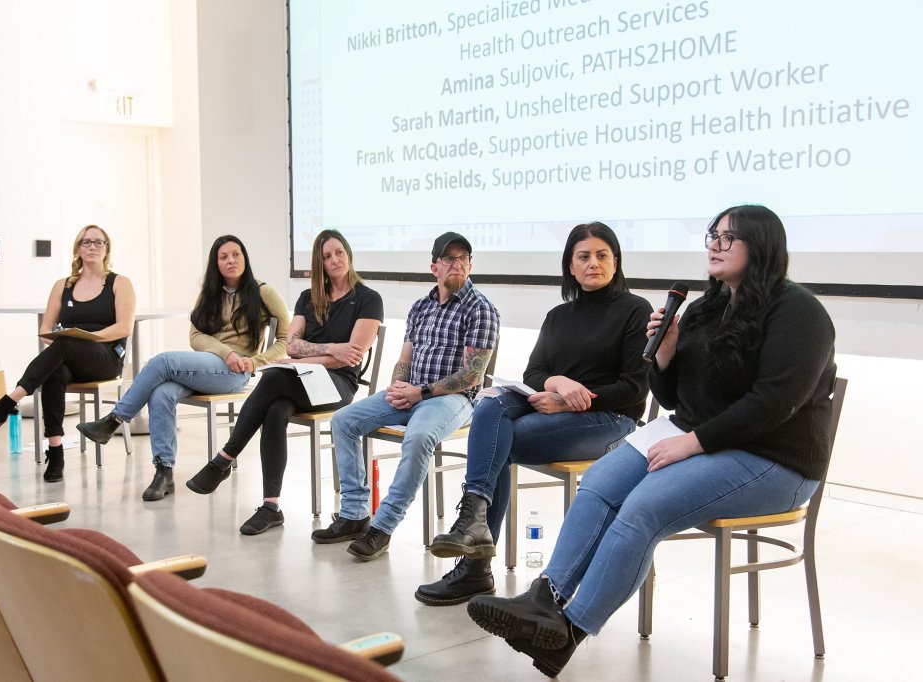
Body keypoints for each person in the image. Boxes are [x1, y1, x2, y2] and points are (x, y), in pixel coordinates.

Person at [465, 205, 837, 678]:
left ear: (761, 245)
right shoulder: (706, 307)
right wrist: (664, 355)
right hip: (700, 437)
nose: (715, 246)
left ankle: (568, 633)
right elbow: (673, 396)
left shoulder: (799, 312)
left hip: (773, 458)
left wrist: (695, 441)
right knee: (600, 480)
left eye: (729, 238)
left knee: (644, 506)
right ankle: (545, 599)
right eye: (712, 236)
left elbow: (773, 403)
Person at [418, 223, 653, 606]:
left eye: (602, 255)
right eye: (583, 256)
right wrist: (558, 383)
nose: (593, 263)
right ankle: (474, 522)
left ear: (615, 262)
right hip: (556, 410)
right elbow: (534, 375)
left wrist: (575, 399)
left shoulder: (635, 310)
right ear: (571, 267)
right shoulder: (559, 315)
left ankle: (474, 562)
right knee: (492, 403)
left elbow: (634, 389)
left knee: (498, 442)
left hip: (612, 421)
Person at [313, 232, 500, 561]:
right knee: (343, 420)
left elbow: (472, 375)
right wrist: (399, 388)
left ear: (470, 265)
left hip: (453, 399)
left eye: (463, 259)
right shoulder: (420, 307)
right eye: (448, 259)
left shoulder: (481, 309)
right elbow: (404, 360)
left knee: (419, 436)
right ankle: (355, 514)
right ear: (434, 267)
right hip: (413, 392)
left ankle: (382, 527)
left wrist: (420, 392)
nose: (456, 264)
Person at [185, 229, 383, 536]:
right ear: (319, 263)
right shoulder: (307, 298)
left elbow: (350, 358)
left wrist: (306, 359)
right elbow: (291, 345)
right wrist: (329, 348)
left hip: (338, 385)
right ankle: (271, 507)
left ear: (348, 254)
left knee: (275, 375)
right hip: (303, 379)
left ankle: (224, 459)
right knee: (276, 409)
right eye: (326, 256)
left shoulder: (369, 299)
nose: (334, 260)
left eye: (339, 252)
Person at [76, 235, 289, 501]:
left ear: (245, 258)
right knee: (161, 393)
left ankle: (115, 420)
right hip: (213, 363)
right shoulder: (209, 294)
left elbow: (285, 338)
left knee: (162, 362)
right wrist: (225, 351)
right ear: (216, 263)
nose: (231, 261)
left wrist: (255, 361)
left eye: (236, 254)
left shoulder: (263, 291)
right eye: (223, 257)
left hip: (235, 372)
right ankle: (164, 472)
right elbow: (195, 337)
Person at [0, 225, 136, 483]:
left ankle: (8, 402)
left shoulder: (119, 283)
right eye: (86, 242)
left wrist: (87, 339)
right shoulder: (63, 285)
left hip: (106, 358)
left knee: (66, 344)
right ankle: (56, 449)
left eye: (98, 242)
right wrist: (69, 340)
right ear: (77, 249)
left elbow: (124, 327)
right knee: (54, 370)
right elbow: (45, 330)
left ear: (107, 249)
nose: (92, 246)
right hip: (71, 357)